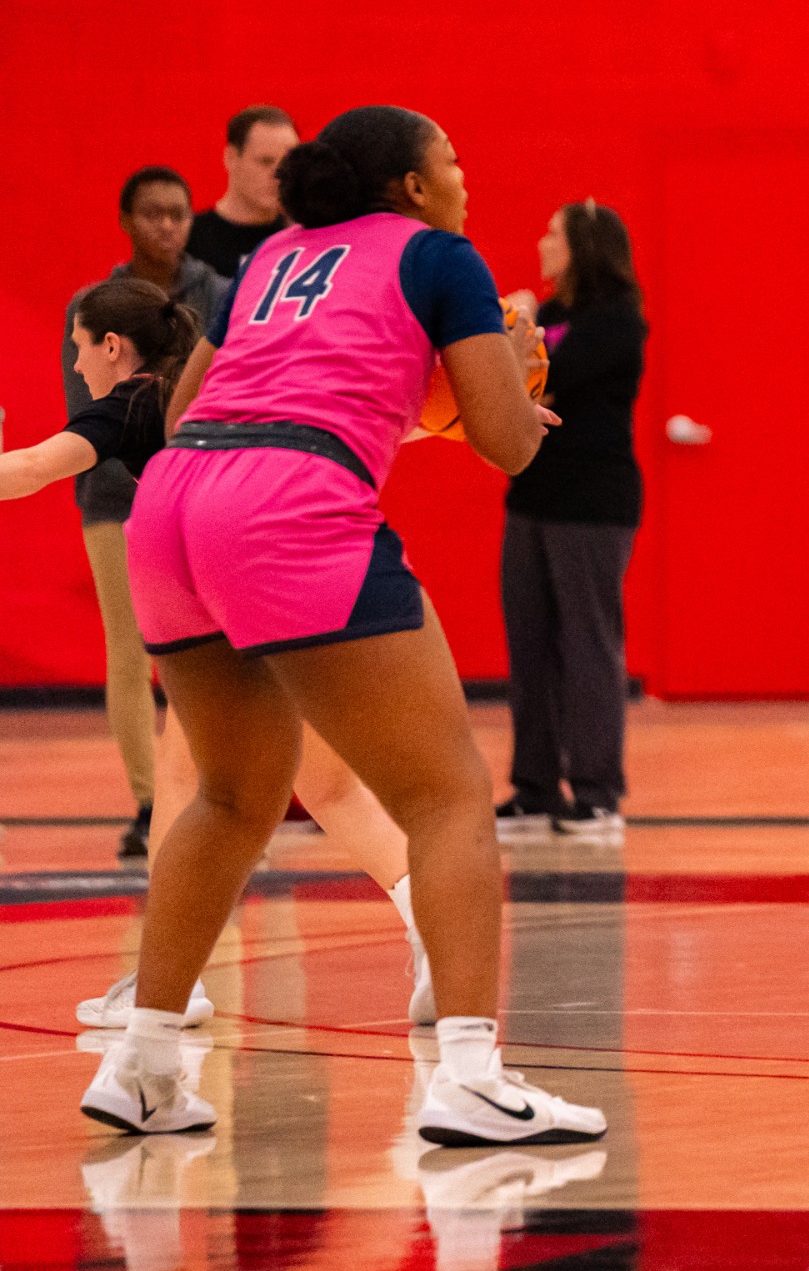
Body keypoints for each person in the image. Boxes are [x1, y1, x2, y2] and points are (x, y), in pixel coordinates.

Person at [78, 104, 603, 1147]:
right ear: (411, 184)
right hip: (291, 503)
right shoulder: (441, 256)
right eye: (450, 158)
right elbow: (506, 445)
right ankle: (468, 1074)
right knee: (446, 791)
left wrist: (387, 409)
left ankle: (140, 1063)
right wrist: (509, 360)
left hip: (176, 501)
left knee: (229, 798)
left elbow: (189, 413)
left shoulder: (274, 255)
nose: (463, 173)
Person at [1, 277, 437, 1028]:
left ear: (112, 345)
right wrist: (472, 422)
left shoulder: (135, 400)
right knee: (320, 786)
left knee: (193, 786)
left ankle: (169, 984)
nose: (77, 370)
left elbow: (36, 467)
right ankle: (430, 927)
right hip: (297, 570)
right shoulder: (226, 378)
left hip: (225, 586)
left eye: (79, 349)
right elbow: (358, 422)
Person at [61, 168, 231, 860]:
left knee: (210, 652)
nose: (168, 224)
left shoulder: (217, 292)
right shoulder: (95, 303)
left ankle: (217, 792)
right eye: (154, 213)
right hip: (114, 498)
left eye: (179, 213)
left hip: (194, 498)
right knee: (127, 652)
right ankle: (150, 800)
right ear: (127, 219)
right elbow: (84, 417)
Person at [495, 200, 647, 835]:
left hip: (592, 502)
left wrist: (517, 323)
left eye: (552, 231)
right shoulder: (551, 315)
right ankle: (535, 788)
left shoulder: (615, 322)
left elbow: (539, 382)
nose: (541, 241)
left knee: (587, 644)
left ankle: (596, 790)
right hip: (532, 495)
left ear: (583, 245)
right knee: (529, 644)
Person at [186, 106, 298, 279]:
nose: (278, 174)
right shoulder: (189, 238)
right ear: (231, 157)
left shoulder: (301, 237)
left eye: (286, 162)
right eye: (265, 161)